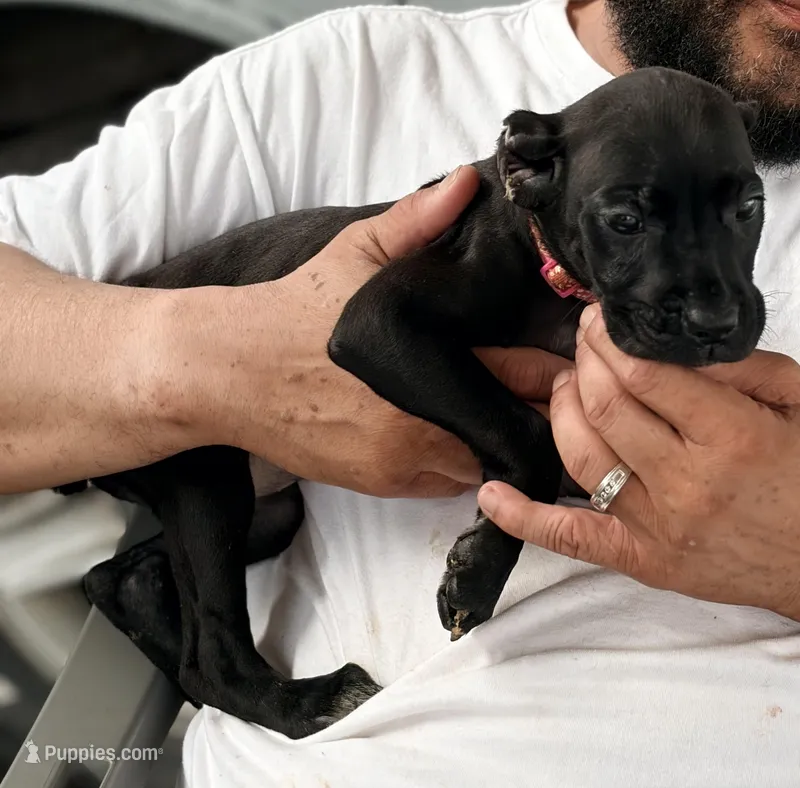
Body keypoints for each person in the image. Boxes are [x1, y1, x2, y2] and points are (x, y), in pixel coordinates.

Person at [2, 0, 800, 784]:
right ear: (529, 177)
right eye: (625, 222)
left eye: (744, 211)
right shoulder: (348, 79)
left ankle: (148, 585)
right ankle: (220, 659)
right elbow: (370, 332)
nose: (711, 304)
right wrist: (213, 366)